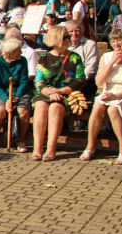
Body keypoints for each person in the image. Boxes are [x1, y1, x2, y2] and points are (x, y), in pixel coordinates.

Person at [80, 29, 122, 164]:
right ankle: (90, 146)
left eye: (120, 40)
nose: (117, 44)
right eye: (113, 41)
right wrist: (112, 63)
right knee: (97, 107)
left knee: (113, 109)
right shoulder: (107, 57)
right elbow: (99, 82)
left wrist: (116, 96)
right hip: (108, 92)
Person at [31, 25, 86, 161]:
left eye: (68, 37)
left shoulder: (75, 58)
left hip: (67, 93)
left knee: (55, 107)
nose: (69, 39)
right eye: (65, 37)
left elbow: (80, 80)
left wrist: (60, 91)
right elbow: (38, 81)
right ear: (56, 39)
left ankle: (51, 148)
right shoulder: (44, 58)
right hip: (46, 92)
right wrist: (49, 92)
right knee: (40, 106)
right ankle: (37, 147)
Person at [0, 38, 32, 151]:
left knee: (23, 112)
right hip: (3, 92)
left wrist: (16, 98)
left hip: (20, 91)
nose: (21, 53)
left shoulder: (23, 60)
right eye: (18, 51)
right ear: (8, 54)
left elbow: (24, 82)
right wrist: (6, 100)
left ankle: (20, 140)